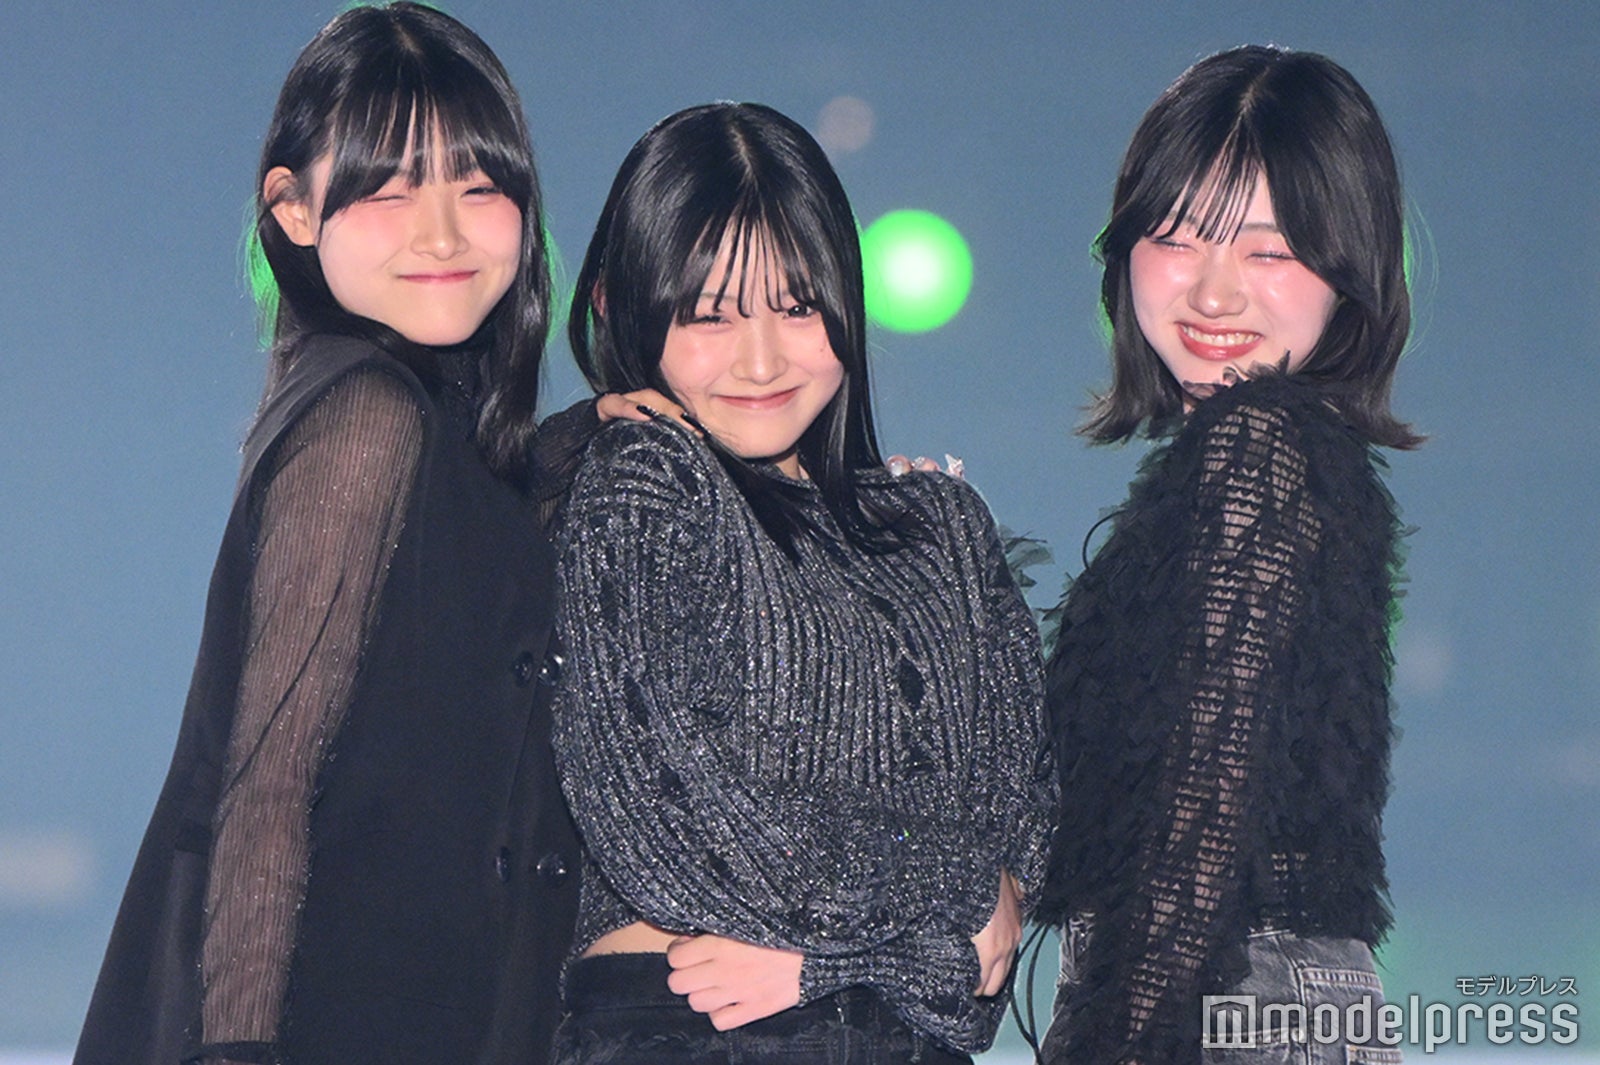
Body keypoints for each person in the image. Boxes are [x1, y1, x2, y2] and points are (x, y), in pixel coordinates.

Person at [75, 6, 586, 1062]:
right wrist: (240, 1052)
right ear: (295, 209)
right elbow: (267, 778)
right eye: (389, 191)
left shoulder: (431, 423)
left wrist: (592, 440)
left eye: (477, 187)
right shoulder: (366, 415)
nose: (441, 234)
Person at [547, 101, 1056, 1064]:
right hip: (690, 1035)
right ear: (624, 307)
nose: (761, 359)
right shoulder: (645, 480)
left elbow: (1004, 906)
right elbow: (671, 815)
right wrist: (949, 883)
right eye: (709, 314)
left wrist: (829, 961)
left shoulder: (946, 526)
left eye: (797, 306)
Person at [1034, 45, 1419, 1064]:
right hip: (1261, 1003)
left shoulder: (1259, 449)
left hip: (1215, 1001)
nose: (1213, 292)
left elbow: (1200, 824)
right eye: (1175, 238)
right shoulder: (1283, 457)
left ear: (1348, 270)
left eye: (1269, 251)